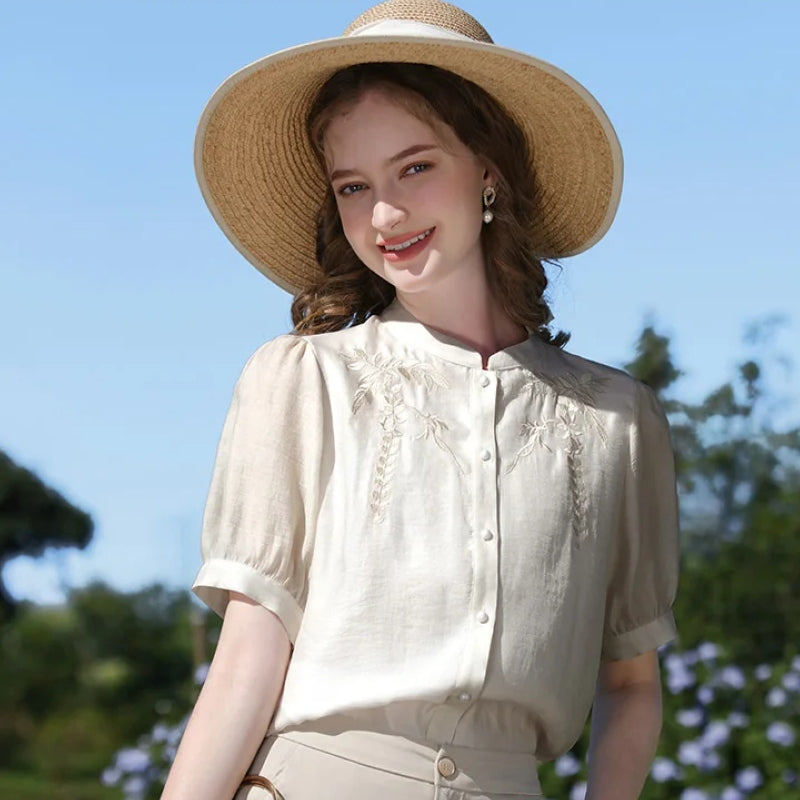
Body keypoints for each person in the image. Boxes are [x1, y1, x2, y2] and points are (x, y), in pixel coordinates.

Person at [162, 1, 680, 798]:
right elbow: (247, 657)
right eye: (353, 185)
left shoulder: (617, 420)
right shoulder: (301, 380)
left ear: (489, 170)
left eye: (416, 167)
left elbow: (631, 685)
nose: (386, 215)